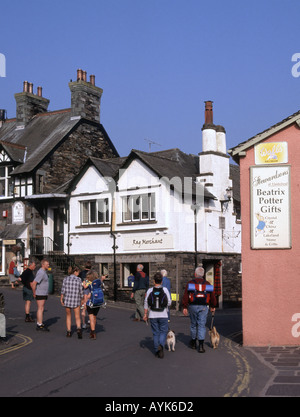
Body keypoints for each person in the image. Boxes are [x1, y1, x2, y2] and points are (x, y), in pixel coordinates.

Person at [181, 266, 217, 353]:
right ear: (203, 275)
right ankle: (201, 346)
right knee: (201, 325)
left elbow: (186, 296)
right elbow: (212, 296)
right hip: (204, 307)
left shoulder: (190, 283)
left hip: (192, 306)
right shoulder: (207, 284)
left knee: (193, 324)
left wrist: (184, 306)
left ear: (195, 274)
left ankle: (193, 342)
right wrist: (213, 306)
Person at [143, 272, 171, 358]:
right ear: (162, 281)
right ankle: (161, 346)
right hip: (163, 315)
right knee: (163, 332)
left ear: (154, 281)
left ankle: (156, 350)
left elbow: (146, 303)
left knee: (155, 333)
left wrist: (145, 314)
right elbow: (169, 302)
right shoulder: (165, 290)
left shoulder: (150, 290)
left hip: (152, 315)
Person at [60, 266, 84, 339]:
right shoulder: (79, 280)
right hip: (76, 300)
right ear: (75, 272)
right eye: (78, 272)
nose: (78, 274)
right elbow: (81, 291)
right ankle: (79, 329)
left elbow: (63, 290)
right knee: (77, 316)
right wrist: (82, 299)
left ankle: (69, 332)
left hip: (67, 300)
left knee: (68, 316)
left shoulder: (66, 279)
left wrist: (61, 299)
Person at [85, 271, 106, 340]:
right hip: (98, 301)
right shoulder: (99, 282)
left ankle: (93, 332)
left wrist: (83, 282)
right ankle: (92, 329)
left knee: (90, 315)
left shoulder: (89, 283)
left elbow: (84, 287)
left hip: (91, 301)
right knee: (94, 316)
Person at [31, 259, 50, 332]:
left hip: (43, 293)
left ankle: (40, 323)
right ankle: (39, 324)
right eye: (47, 264)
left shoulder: (43, 272)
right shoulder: (41, 273)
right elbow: (34, 283)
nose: (48, 265)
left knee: (41, 308)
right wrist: (34, 293)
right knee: (40, 308)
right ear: (43, 264)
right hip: (40, 293)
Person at [79, 261, 92, 329]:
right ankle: (90, 320)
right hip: (89, 291)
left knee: (83, 308)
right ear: (91, 267)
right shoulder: (91, 273)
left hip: (82, 292)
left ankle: (83, 323)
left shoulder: (81, 273)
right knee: (90, 307)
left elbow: (80, 281)